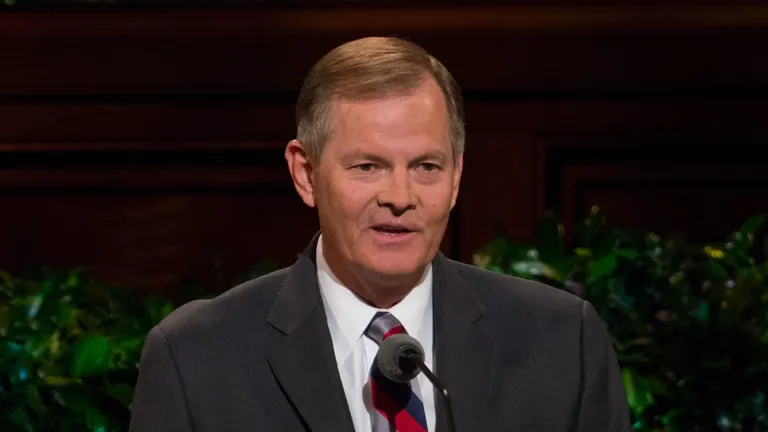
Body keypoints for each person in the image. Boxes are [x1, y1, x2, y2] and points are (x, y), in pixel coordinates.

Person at [129, 37, 631, 432]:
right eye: (368, 166)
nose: (400, 196)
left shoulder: (562, 342)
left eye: (426, 166)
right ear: (306, 174)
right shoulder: (195, 359)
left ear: (457, 176)